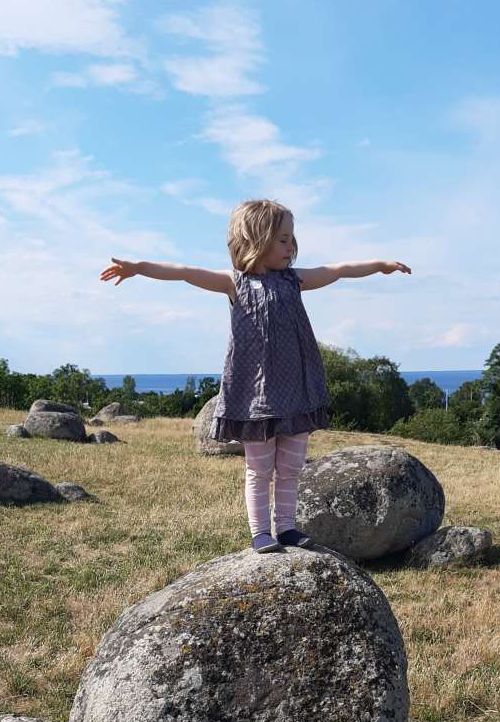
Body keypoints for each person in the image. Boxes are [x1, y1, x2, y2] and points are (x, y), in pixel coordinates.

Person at [100, 198, 411, 552]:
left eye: (292, 239)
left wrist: (380, 265)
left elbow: (337, 270)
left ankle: (287, 528)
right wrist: (139, 267)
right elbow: (185, 272)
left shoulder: (294, 280)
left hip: (297, 392)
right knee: (259, 470)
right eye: (283, 239)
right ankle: (261, 532)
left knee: (291, 468)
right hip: (256, 397)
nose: (291, 247)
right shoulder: (234, 282)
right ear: (256, 240)